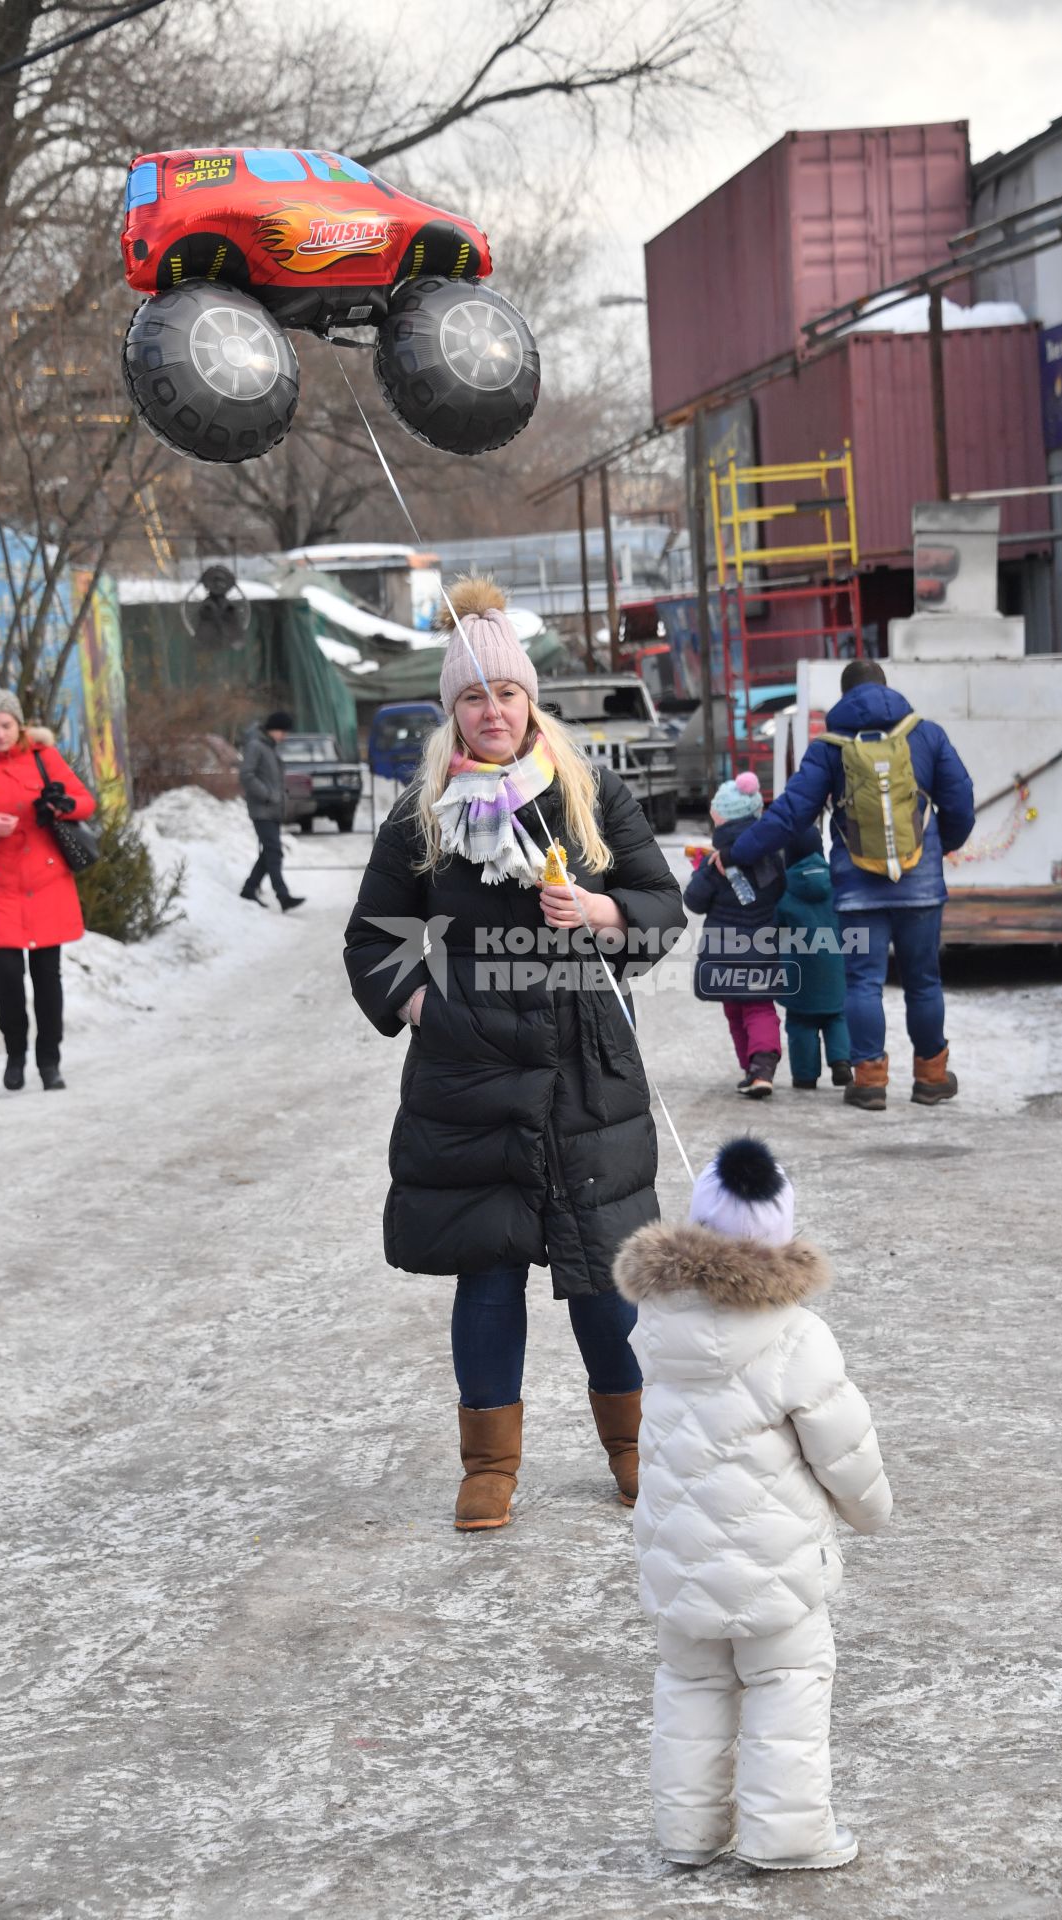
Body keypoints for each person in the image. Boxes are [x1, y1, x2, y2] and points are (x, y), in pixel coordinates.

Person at [343, 577, 686, 1532]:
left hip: (586, 1077)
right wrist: (426, 1009)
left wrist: (604, 910)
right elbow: (372, 940)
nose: (492, 713)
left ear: (531, 700)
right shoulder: (426, 817)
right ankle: (487, 1464)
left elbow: (665, 909)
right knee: (487, 1273)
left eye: (506, 694)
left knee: (601, 1278)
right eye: (471, 698)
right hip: (471, 1079)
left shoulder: (589, 795)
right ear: (450, 712)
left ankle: (634, 1447)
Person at [613, 1135, 892, 1872]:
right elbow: (844, 1446)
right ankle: (788, 1836)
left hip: (678, 1556)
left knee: (689, 1686)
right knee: (789, 1685)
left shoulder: (657, 1324)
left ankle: (688, 1833)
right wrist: (869, 1511)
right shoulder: (797, 1335)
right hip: (778, 1566)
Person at [727, 659, 974, 1112]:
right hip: (921, 883)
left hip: (858, 887)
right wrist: (941, 850)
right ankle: (932, 1076)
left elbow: (791, 813)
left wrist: (739, 850)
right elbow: (960, 803)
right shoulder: (927, 735)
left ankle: (870, 1081)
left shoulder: (830, 747)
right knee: (923, 981)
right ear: (886, 688)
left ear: (844, 697)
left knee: (863, 983)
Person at [0, 687, 96, 1091]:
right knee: (7, 975)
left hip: (46, 883)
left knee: (48, 976)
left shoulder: (45, 757)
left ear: (18, 724)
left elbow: (85, 801)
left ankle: (49, 1061)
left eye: (6, 725)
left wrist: (62, 806)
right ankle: (15, 1055)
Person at [683, 770, 786, 1098]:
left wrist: (704, 873)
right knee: (759, 1004)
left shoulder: (716, 863)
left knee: (736, 1009)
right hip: (763, 943)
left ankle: (751, 1067)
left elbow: (694, 902)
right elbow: (780, 890)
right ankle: (761, 1066)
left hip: (724, 949)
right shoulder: (770, 855)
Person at [775, 824, 852, 1091]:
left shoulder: (784, 890)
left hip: (798, 972)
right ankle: (841, 1061)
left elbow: (774, 929)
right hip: (835, 967)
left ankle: (805, 1076)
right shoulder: (838, 883)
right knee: (837, 1016)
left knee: (800, 1021)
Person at [239, 710, 304, 912]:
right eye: (283, 732)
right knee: (274, 851)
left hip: (272, 809)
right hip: (262, 809)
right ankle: (282, 895)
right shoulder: (256, 746)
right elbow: (246, 775)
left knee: (270, 852)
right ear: (274, 729)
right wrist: (267, 794)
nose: (284, 736)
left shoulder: (268, 747)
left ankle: (249, 889)